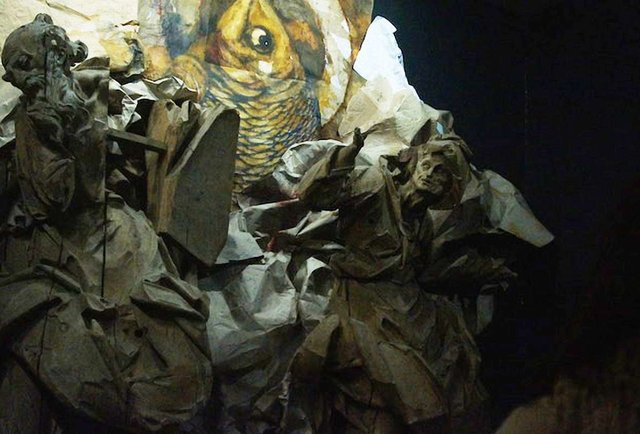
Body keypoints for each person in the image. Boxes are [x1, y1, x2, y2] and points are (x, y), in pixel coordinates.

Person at [0, 14, 213, 433]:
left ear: (47, 60)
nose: (11, 77)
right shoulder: (32, 111)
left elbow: (64, 193)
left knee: (135, 329)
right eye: (10, 70)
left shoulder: (69, 111)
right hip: (58, 236)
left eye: (20, 66)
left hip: (94, 235)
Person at [287, 129, 488, 433]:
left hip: (407, 306)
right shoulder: (376, 185)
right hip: (364, 300)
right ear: (414, 164)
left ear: (449, 189)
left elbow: (421, 271)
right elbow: (314, 195)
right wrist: (347, 154)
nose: (430, 175)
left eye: (441, 173)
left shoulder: (422, 225)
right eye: (427, 165)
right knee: (402, 388)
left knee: (456, 370)